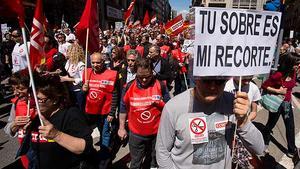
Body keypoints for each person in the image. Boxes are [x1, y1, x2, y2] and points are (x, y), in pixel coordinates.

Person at [156, 76, 265, 168]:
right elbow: (162, 151)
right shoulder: (174, 107)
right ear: (195, 78)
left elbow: (259, 148)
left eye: (219, 82)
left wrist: (243, 121)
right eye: (206, 80)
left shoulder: (233, 104)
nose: (212, 87)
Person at [118, 57, 170, 169]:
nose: (144, 80)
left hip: (157, 134)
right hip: (136, 135)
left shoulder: (161, 85)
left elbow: (170, 108)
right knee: (136, 163)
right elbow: (123, 109)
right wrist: (121, 128)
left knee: (154, 161)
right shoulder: (128, 87)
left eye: (147, 76)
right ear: (135, 72)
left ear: (152, 72)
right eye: (140, 77)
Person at [82, 52, 119, 168]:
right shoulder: (87, 74)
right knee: (99, 130)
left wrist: (112, 113)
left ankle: (104, 159)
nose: (95, 65)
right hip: (92, 112)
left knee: (105, 133)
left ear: (103, 62)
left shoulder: (111, 74)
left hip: (106, 112)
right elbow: (83, 97)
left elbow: (115, 95)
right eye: (93, 62)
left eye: (98, 62)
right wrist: (84, 90)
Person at [263, 52, 299, 158]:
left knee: (290, 126)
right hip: (277, 104)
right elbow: (264, 86)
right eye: (296, 64)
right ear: (289, 63)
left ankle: (292, 150)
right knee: (270, 124)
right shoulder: (278, 75)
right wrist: (278, 91)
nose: (298, 66)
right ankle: (264, 143)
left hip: (287, 104)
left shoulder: (293, 73)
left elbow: (290, 88)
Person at [4, 70, 36, 169]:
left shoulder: (42, 103)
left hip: (43, 151)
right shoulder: (16, 103)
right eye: (13, 89)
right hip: (26, 151)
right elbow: (8, 129)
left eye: (21, 88)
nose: (16, 93)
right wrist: (14, 124)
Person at [60, 43, 85, 111]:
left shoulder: (81, 65)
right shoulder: (68, 62)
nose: (66, 52)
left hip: (78, 91)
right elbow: (67, 74)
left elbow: (82, 79)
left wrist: (68, 79)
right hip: (69, 90)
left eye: (68, 51)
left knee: (80, 109)